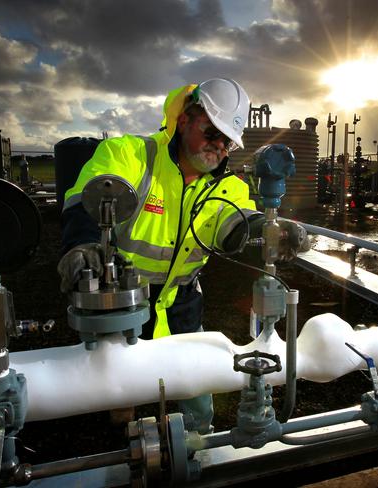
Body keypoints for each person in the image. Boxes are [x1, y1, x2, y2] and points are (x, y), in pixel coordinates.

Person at [58, 78, 309, 433]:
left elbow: (232, 222)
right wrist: (82, 244)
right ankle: (126, 439)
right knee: (120, 391)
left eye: (226, 142)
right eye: (211, 133)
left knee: (196, 397)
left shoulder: (228, 186)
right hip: (122, 299)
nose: (218, 147)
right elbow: (93, 195)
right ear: (184, 120)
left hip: (181, 302)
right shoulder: (132, 155)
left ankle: (194, 444)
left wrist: (272, 228)